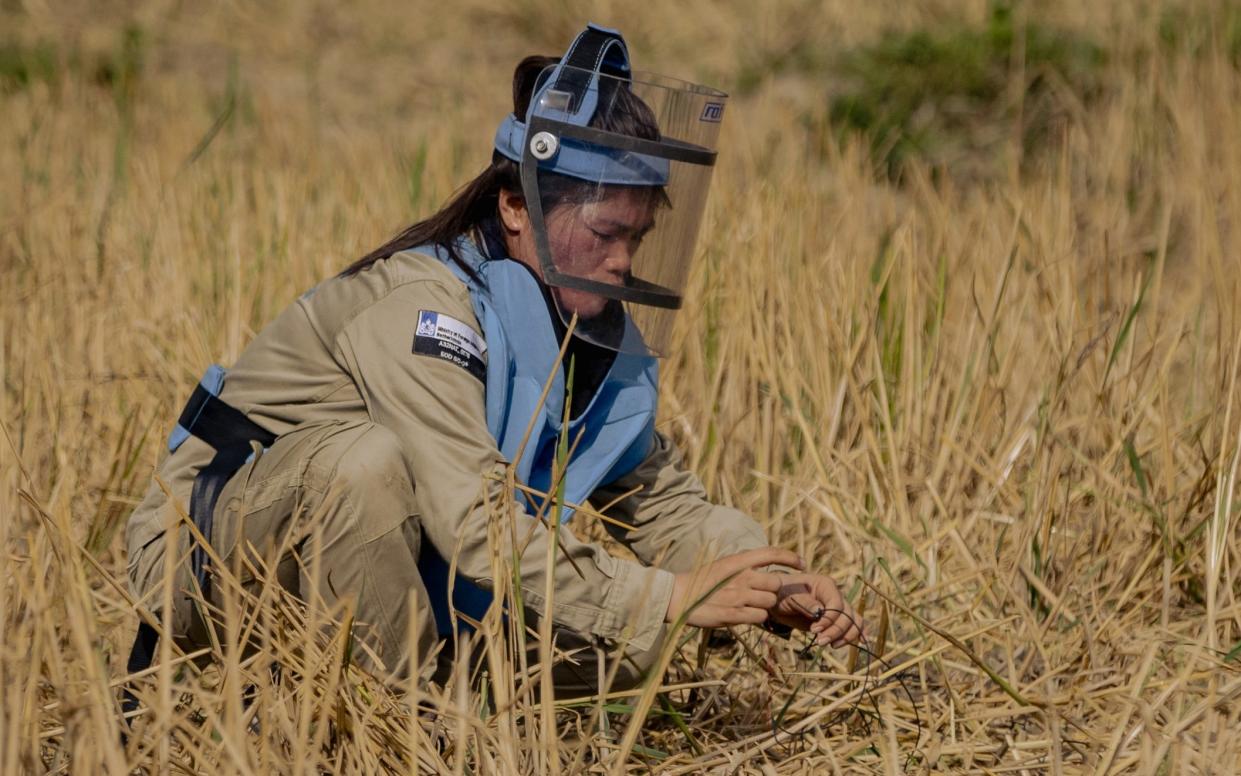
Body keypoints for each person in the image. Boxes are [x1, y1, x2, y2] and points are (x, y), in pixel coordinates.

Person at [124, 23, 862, 695]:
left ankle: (406, 686)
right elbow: (473, 525)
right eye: (604, 232)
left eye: (636, 239)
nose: (620, 261)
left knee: (638, 653)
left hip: (387, 570)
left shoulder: (594, 328)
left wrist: (772, 579)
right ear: (517, 206)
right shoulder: (425, 307)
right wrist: (664, 595)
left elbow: (665, 508)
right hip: (206, 558)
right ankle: (400, 728)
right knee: (364, 466)